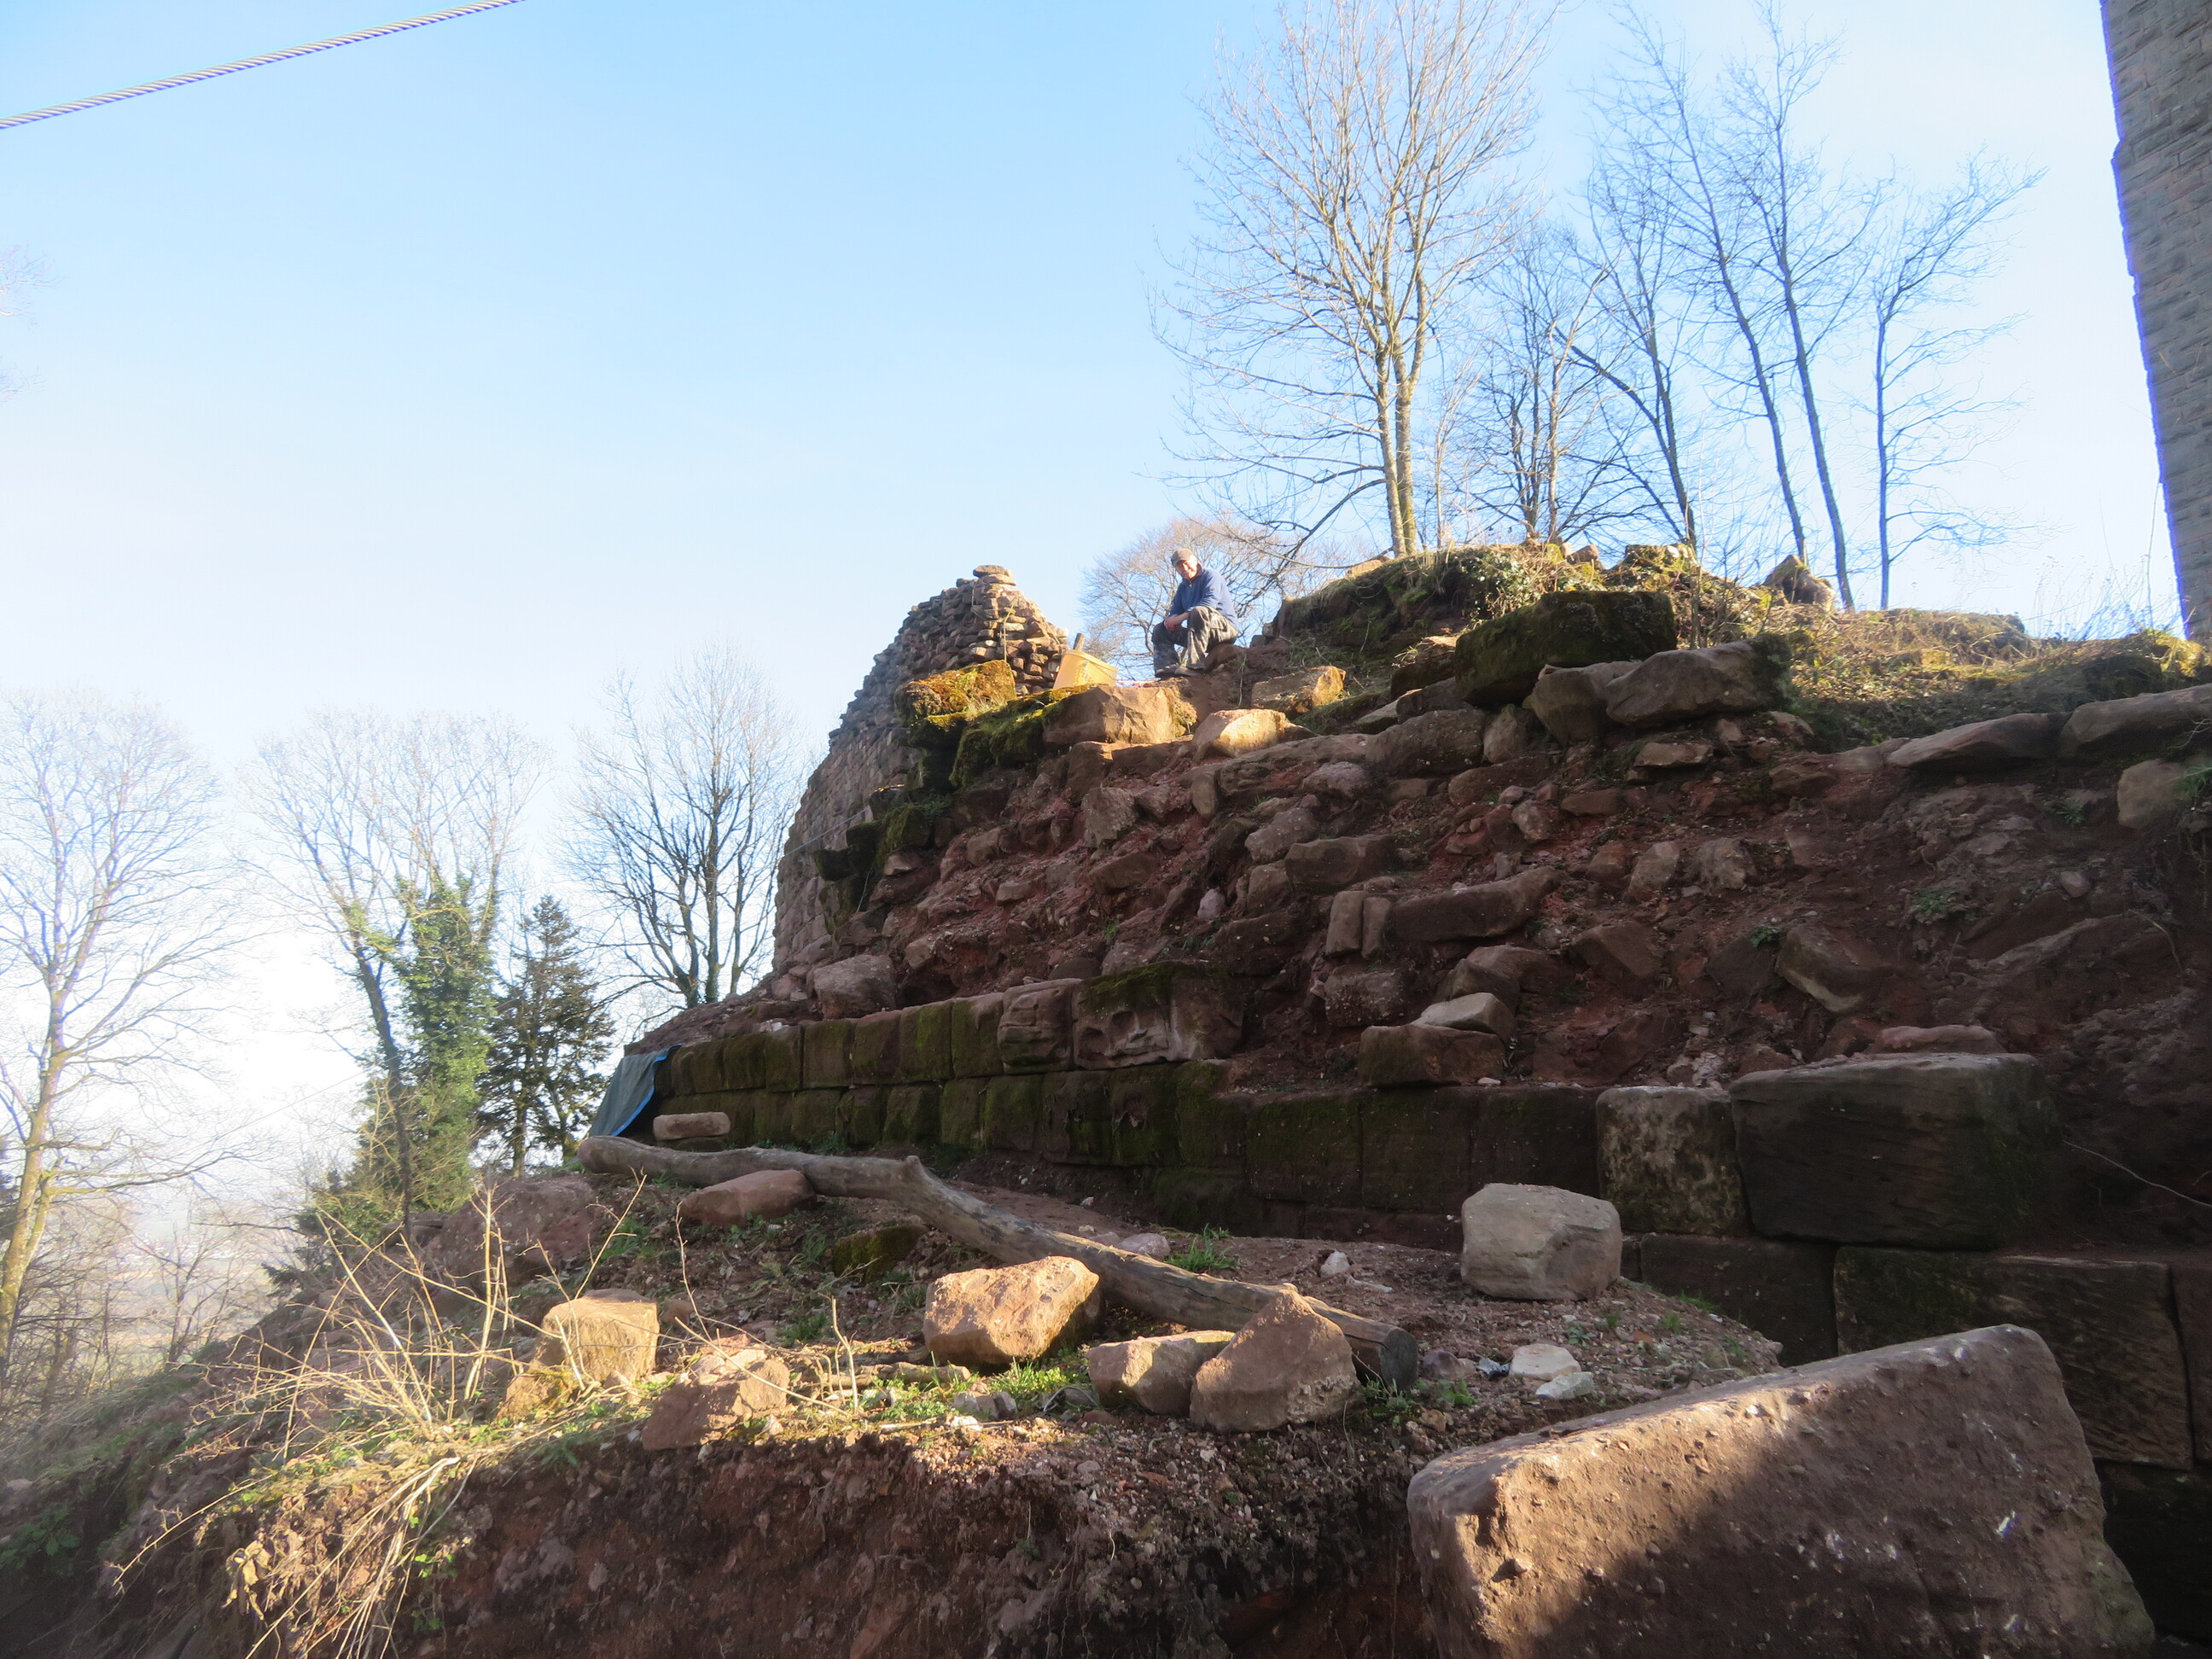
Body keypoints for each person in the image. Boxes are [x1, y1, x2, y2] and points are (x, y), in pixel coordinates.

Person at [1151, 547, 1239, 678]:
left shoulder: (1211, 576)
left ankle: (1195, 666)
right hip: (1199, 634)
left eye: (1186, 564)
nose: (1184, 569)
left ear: (1194, 560)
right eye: (1179, 567)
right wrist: (1171, 621)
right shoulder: (1183, 588)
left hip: (1225, 630)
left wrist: (1181, 618)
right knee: (1161, 629)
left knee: (1199, 611)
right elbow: (1175, 611)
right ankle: (1167, 670)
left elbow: (1209, 603)